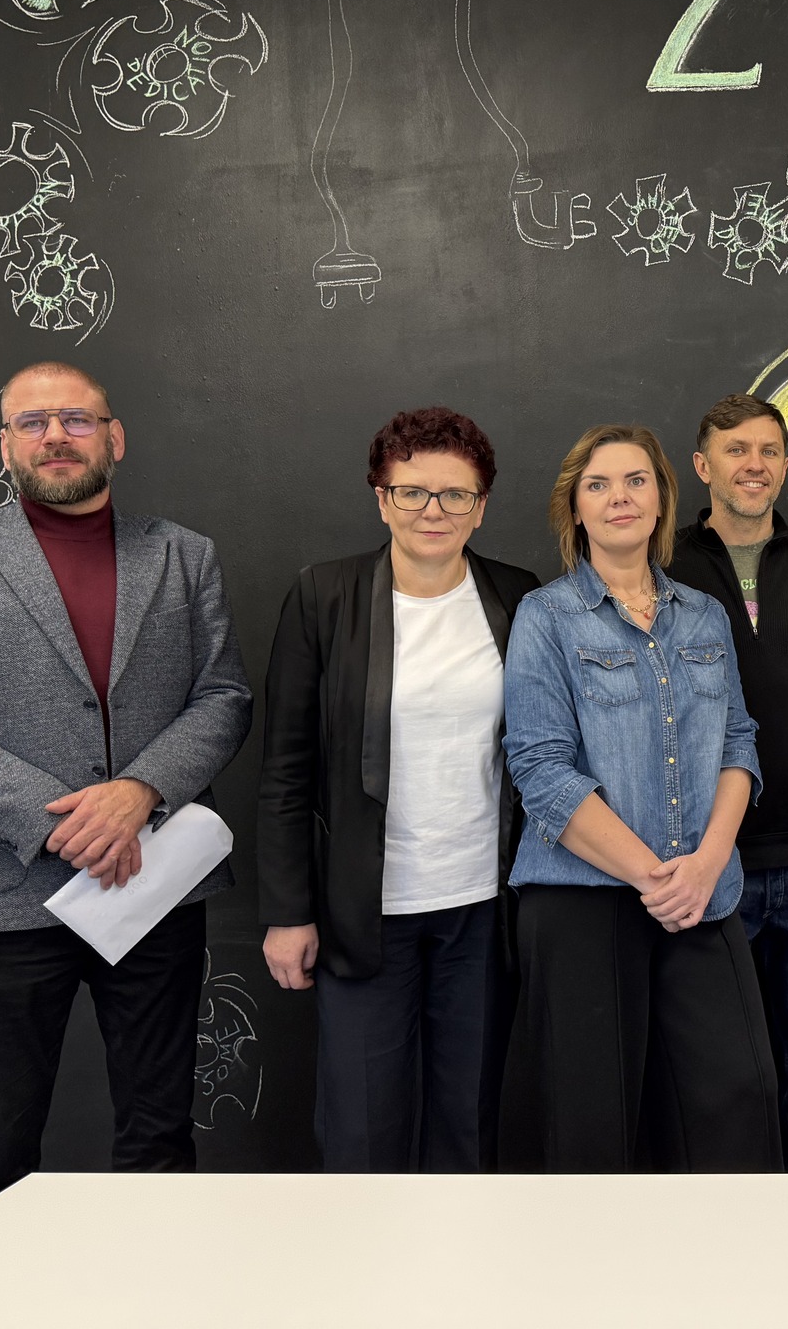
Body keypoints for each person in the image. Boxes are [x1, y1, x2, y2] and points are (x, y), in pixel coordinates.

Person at [0, 361, 251, 1220]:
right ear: (6, 445)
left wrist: (140, 790)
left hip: (152, 886)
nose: (55, 437)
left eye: (77, 420)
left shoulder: (183, 555)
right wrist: (58, 819)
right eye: (32, 423)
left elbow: (224, 697)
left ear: (115, 438)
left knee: (160, 1142)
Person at [256, 408, 538, 1171]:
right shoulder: (324, 597)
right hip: (362, 914)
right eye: (412, 492)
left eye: (455, 494)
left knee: (468, 1123)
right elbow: (284, 769)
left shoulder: (518, 598)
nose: (432, 511)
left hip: (483, 909)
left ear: (482, 506)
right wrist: (287, 912)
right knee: (362, 1132)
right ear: (381, 499)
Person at [502, 424, 780, 1171]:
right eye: (598, 485)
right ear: (576, 507)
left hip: (703, 893)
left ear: (662, 498)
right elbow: (541, 769)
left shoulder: (705, 614)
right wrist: (655, 875)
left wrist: (705, 865)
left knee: (737, 1103)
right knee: (592, 1124)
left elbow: (738, 743)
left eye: (635, 481)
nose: (618, 497)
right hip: (583, 899)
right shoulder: (545, 616)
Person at [665, 392, 788, 1171]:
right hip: (705, 860)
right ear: (702, 466)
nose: (755, 465)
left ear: (785, 465)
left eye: (769, 450)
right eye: (736, 450)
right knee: (717, 1062)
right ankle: (725, 1221)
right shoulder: (663, 565)